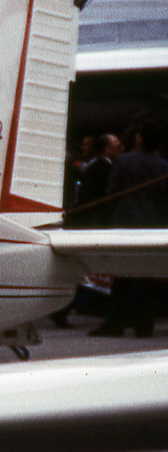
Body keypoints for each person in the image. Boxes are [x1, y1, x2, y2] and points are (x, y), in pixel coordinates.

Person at [92, 124, 168, 337]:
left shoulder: (125, 161)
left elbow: (113, 192)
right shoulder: (164, 166)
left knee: (123, 274)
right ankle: (144, 325)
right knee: (146, 275)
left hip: (125, 220)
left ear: (140, 138)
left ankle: (115, 323)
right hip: (152, 224)